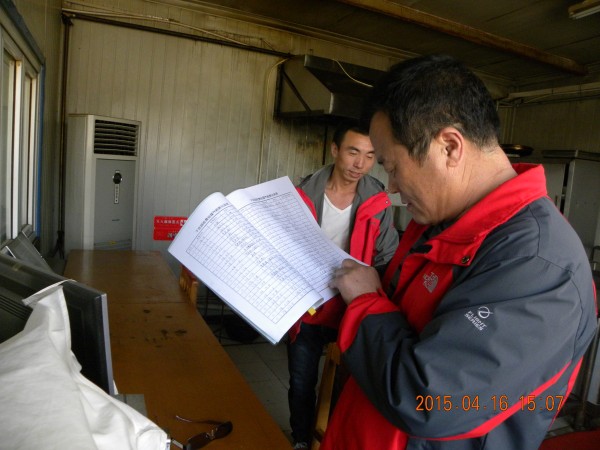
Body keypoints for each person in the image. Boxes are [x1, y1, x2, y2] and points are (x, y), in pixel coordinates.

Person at [323, 54, 598, 450]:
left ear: (449, 146)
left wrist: (365, 301)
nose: (392, 187)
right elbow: (400, 315)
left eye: (392, 167)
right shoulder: (439, 221)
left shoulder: (539, 264)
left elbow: (428, 401)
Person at [287, 119, 399, 449]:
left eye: (369, 155)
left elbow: (387, 256)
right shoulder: (302, 194)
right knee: (301, 381)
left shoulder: (378, 201)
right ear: (335, 150)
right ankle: (301, 440)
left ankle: (334, 441)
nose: (360, 163)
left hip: (352, 307)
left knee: (347, 384)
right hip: (308, 307)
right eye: (353, 152)